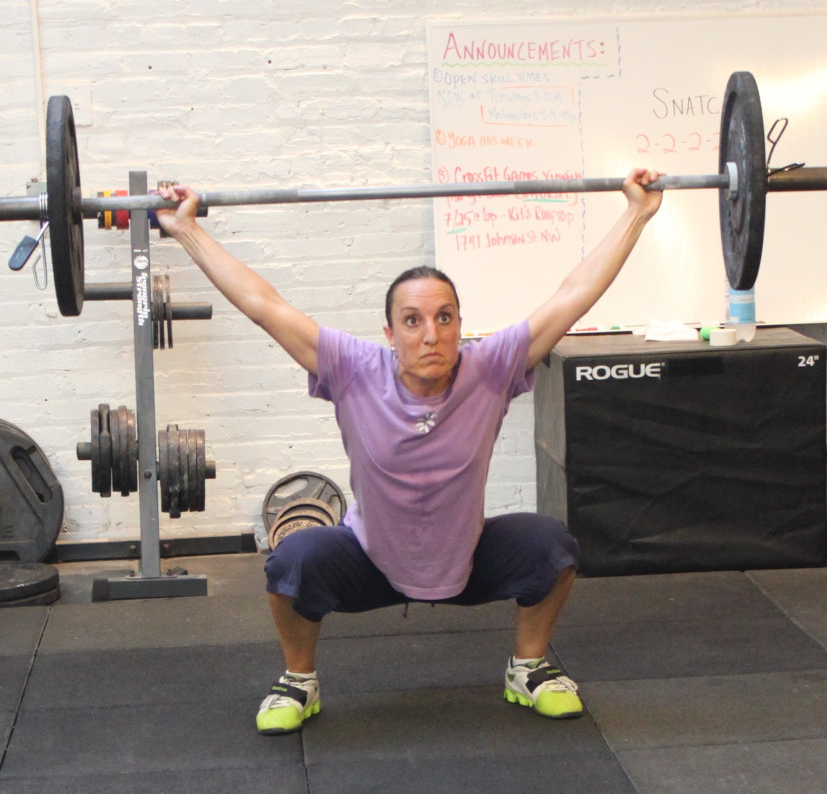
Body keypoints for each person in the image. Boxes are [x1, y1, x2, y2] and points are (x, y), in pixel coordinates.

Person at [155, 168, 663, 735]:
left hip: (466, 558)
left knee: (551, 546)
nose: (431, 335)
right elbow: (262, 304)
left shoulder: (490, 368)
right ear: (390, 333)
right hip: (370, 560)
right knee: (293, 561)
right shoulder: (352, 369)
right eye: (413, 321)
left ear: (460, 325)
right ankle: (299, 679)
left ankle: (528, 667)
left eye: (444, 318)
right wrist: (186, 229)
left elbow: (573, 296)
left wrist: (636, 214)